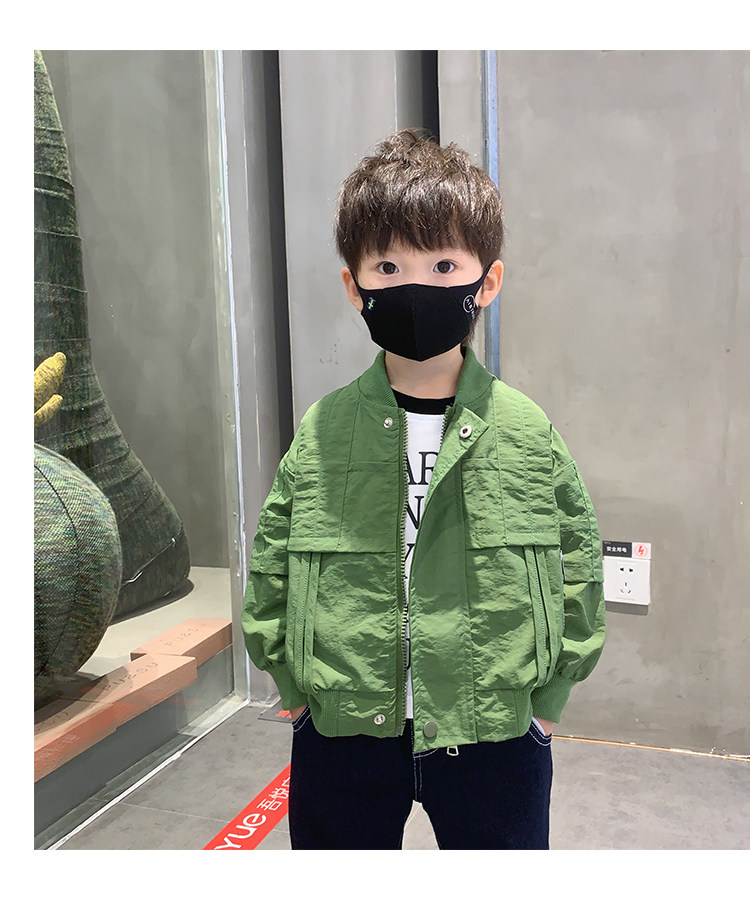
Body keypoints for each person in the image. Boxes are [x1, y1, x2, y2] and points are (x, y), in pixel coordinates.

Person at [242, 129, 606, 850]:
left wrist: (547, 702)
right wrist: (294, 688)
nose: (417, 287)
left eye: (444, 265)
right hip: (343, 730)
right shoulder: (324, 431)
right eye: (388, 266)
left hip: (494, 731)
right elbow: (273, 562)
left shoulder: (525, 431)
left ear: (487, 282)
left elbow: (578, 565)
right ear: (354, 287)